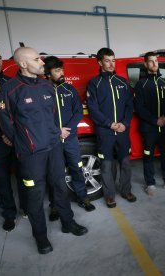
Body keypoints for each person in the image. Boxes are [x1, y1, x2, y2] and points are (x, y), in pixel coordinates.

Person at [0, 47, 87, 254]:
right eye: (37, 59)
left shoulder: (47, 86)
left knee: (60, 187)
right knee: (35, 196)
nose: (41, 63)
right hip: (31, 155)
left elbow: (53, 116)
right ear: (23, 64)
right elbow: (5, 123)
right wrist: (22, 144)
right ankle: (41, 237)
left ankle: (68, 222)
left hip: (54, 148)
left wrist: (56, 133)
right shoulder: (10, 90)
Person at [43, 56, 95, 213]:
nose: (62, 73)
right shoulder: (42, 91)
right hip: (52, 140)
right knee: (54, 173)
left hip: (70, 138)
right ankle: (55, 205)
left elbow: (78, 111)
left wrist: (68, 130)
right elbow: (39, 117)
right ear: (47, 73)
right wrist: (57, 131)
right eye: (57, 70)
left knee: (77, 167)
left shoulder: (69, 89)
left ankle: (83, 197)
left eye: (62, 69)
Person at [86, 47, 136, 208]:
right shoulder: (94, 83)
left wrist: (124, 123)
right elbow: (93, 109)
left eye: (113, 60)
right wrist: (109, 124)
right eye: (107, 60)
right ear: (100, 62)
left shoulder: (122, 82)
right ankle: (109, 195)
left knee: (125, 163)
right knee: (107, 165)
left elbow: (129, 105)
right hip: (105, 132)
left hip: (122, 131)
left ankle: (126, 190)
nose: (111, 64)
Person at [0, 45, 27, 232]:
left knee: (23, 175)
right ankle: (9, 215)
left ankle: (26, 207)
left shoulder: (10, 82)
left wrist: (12, 135)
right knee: (2, 180)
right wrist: (1, 135)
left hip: (15, 139)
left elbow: (19, 113)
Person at [134, 52, 165, 196]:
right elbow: (139, 107)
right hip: (149, 128)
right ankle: (150, 183)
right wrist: (155, 120)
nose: (154, 64)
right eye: (151, 61)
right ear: (146, 64)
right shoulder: (141, 84)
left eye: (156, 61)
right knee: (148, 155)